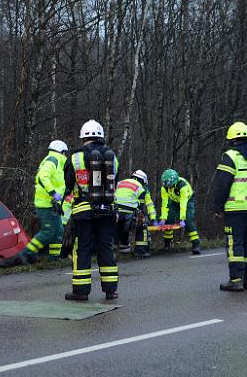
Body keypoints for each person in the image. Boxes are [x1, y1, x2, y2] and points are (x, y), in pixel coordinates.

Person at [63, 119, 119, 301]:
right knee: (106, 248)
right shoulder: (112, 157)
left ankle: (81, 291)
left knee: (83, 250)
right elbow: (115, 180)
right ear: (101, 136)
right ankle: (111, 290)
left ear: (83, 137)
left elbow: (69, 184)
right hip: (107, 209)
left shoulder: (75, 157)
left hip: (84, 211)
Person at [212, 122, 247, 291]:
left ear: (232, 139)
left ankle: (235, 280)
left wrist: (218, 207)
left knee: (235, 243)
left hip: (236, 208)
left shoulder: (230, 156)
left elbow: (222, 184)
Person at [19, 140, 69, 262]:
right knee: (48, 232)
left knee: (58, 232)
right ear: (61, 151)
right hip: (45, 204)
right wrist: (53, 193)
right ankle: (26, 254)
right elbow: (42, 177)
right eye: (65, 153)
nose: (65, 155)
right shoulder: (53, 160)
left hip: (52, 204)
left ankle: (54, 259)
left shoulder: (56, 162)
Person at [114, 170, 157, 257]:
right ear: (142, 180)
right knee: (142, 224)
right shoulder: (140, 187)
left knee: (117, 228)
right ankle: (140, 251)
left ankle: (115, 251)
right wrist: (150, 217)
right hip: (128, 212)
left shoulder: (120, 183)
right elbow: (141, 206)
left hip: (115, 211)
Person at [158, 169, 201, 254]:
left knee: (188, 220)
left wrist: (182, 219)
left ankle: (196, 244)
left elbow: (183, 203)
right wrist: (163, 218)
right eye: (167, 185)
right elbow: (165, 203)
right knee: (168, 219)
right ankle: (167, 244)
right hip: (174, 202)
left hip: (187, 201)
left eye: (170, 185)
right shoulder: (164, 188)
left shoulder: (182, 185)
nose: (168, 187)